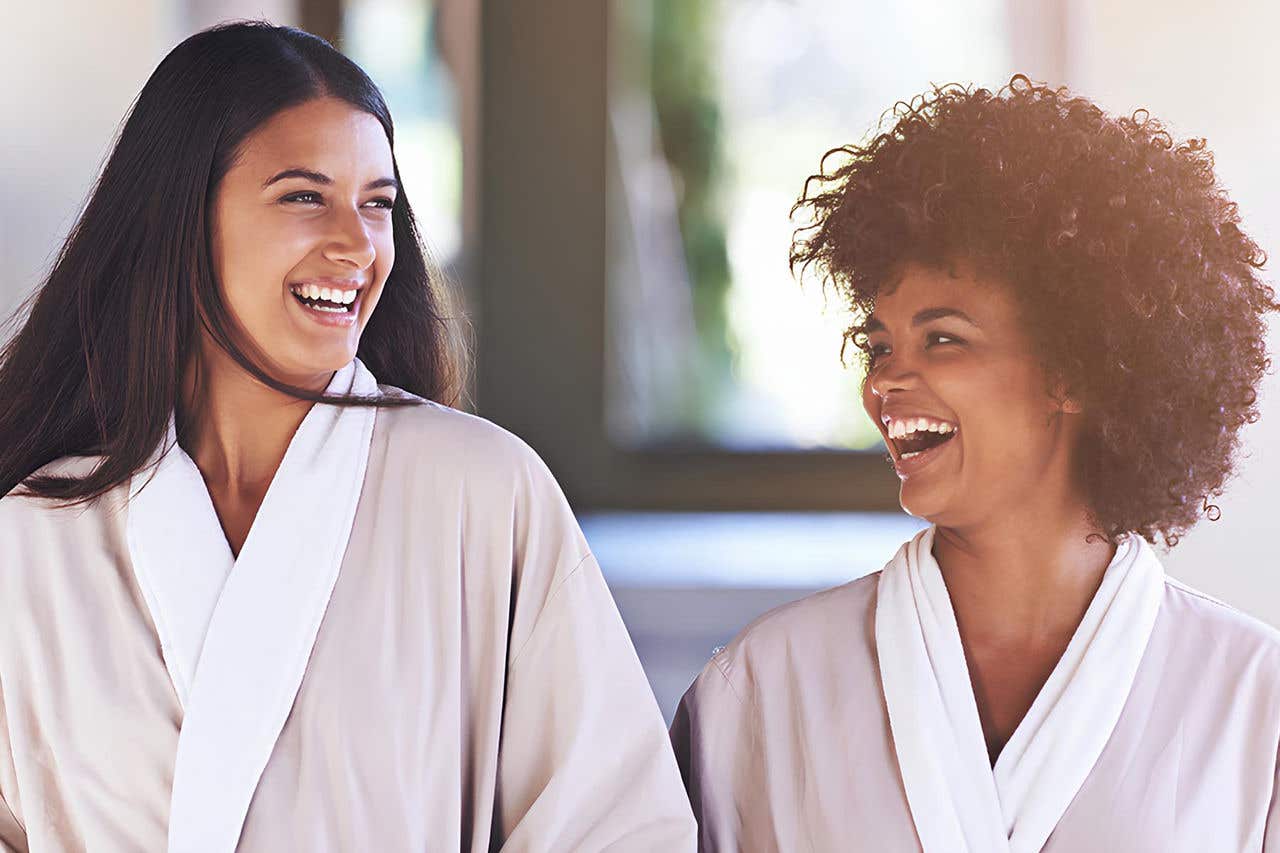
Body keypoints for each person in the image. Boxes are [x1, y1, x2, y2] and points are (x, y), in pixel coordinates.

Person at [0, 22, 694, 852]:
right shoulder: (33, 538)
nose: (357, 244)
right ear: (180, 215)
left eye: (378, 203)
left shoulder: (480, 493)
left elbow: (616, 822)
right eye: (304, 195)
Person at [670, 76, 1280, 851]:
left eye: (942, 339)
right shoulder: (761, 689)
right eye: (878, 345)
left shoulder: (1253, 701)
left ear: (1076, 368)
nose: (884, 381)